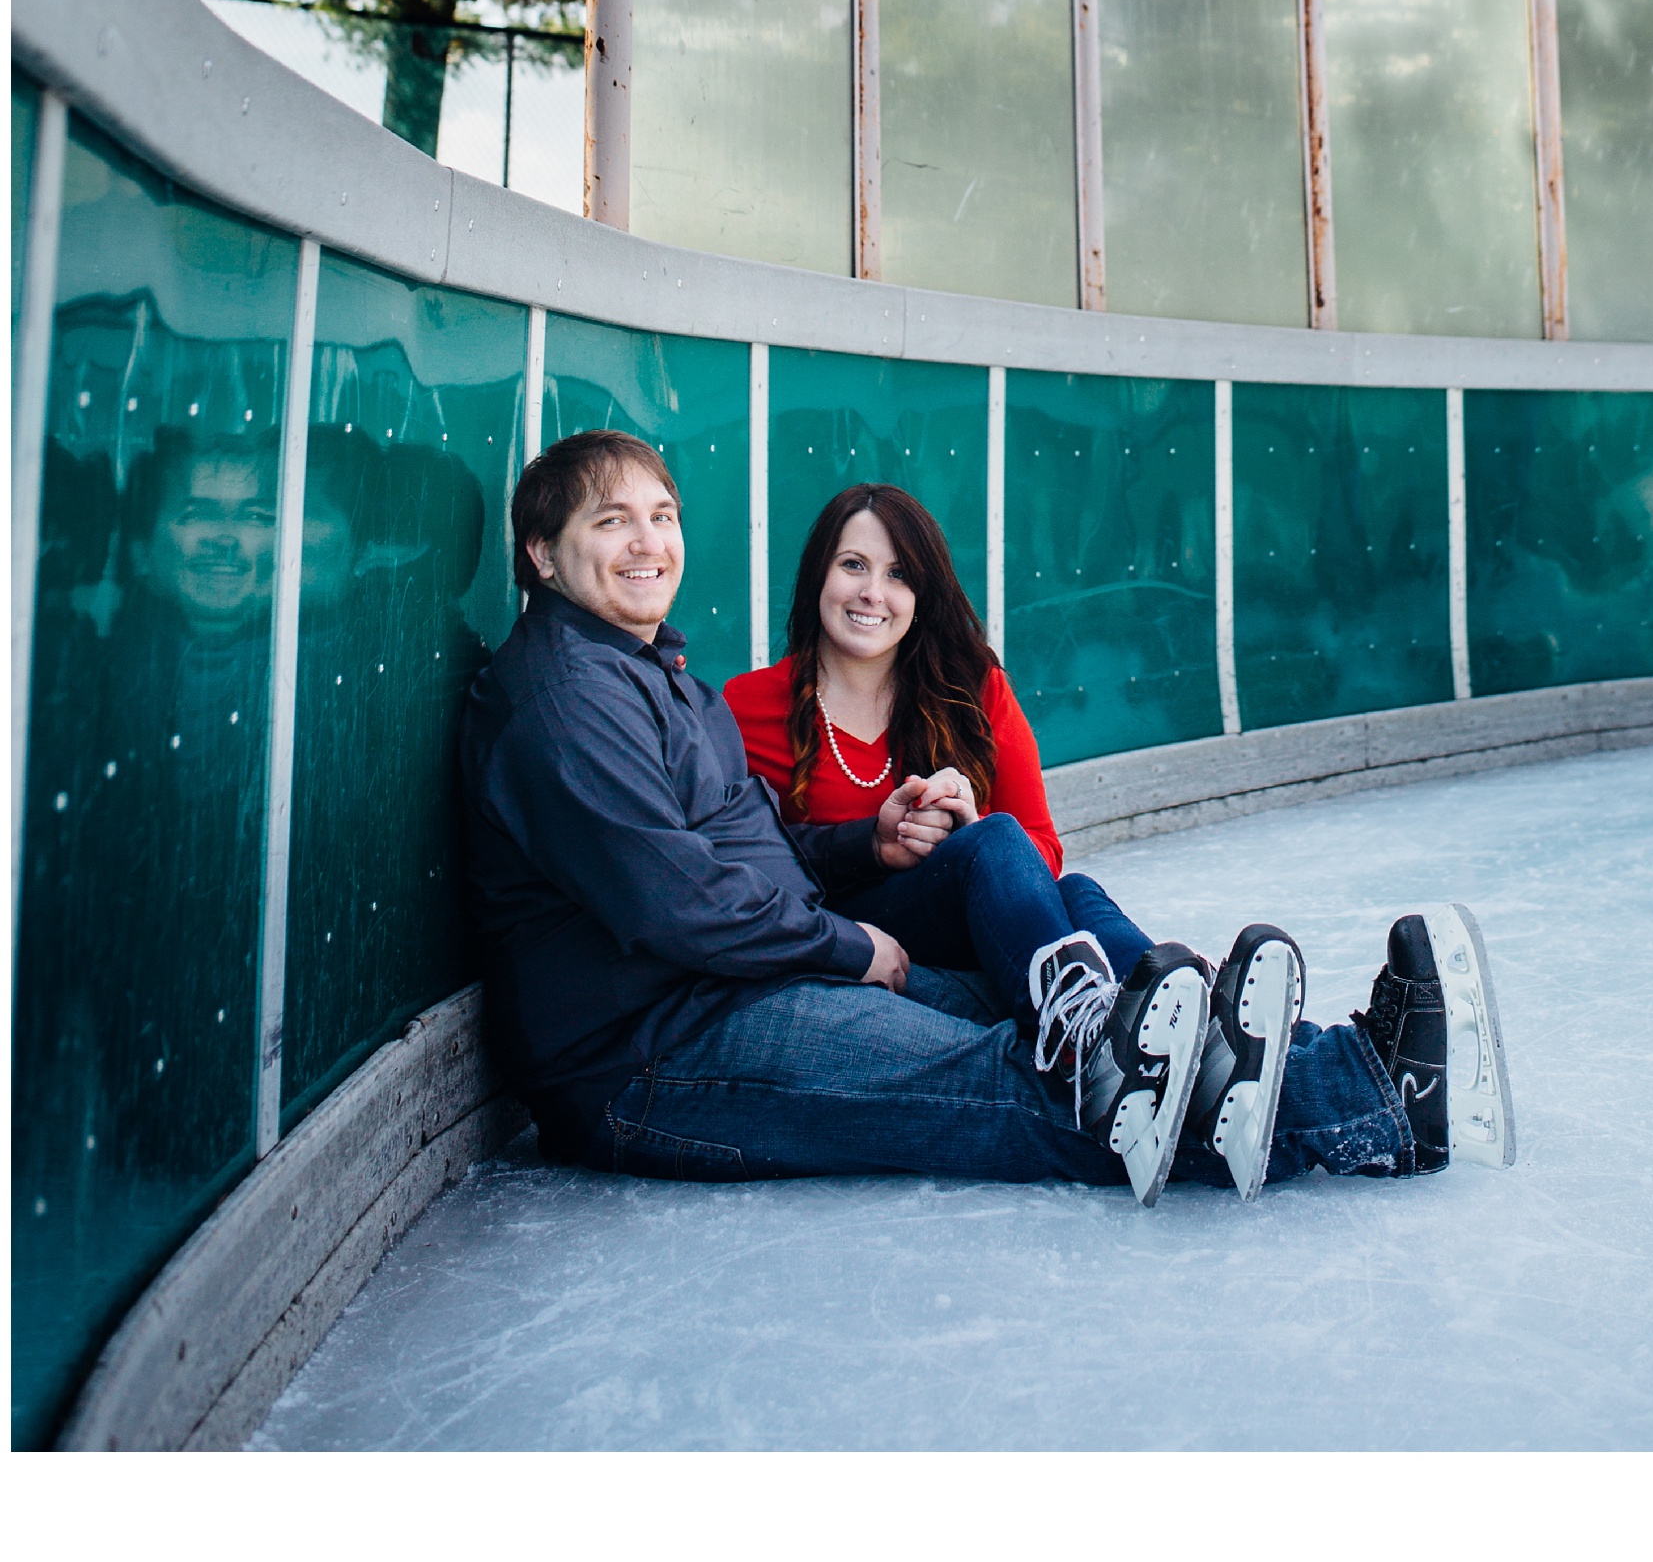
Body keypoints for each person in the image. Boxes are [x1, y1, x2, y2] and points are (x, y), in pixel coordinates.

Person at [459, 431, 1517, 1214]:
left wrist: (859, 845)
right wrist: (854, 942)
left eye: (660, 514)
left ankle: (1328, 1060)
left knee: (1069, 1038)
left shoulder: (649, 672)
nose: (647, 541)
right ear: (541, 556)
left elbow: (759, 857)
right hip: (660, 1049)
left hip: (753, 978)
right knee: (1023, 1082)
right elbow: (671, 899)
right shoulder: (564, 696)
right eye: (610, 521)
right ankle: (1364, 1094)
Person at [724, 484, 1170, 1050]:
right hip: (851, 941)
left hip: (973, 923)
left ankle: (1183, 1026)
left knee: (1073, 889)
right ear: (819, 574)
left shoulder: (975, 690)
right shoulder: (746, 706)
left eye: (899, 574)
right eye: (853, 565)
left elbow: (1043, 849)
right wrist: (874, 844)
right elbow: (737, 865)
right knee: (1000, 846)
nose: (871, 593)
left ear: (922, 593)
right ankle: (1090, 1043)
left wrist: (968, 827)